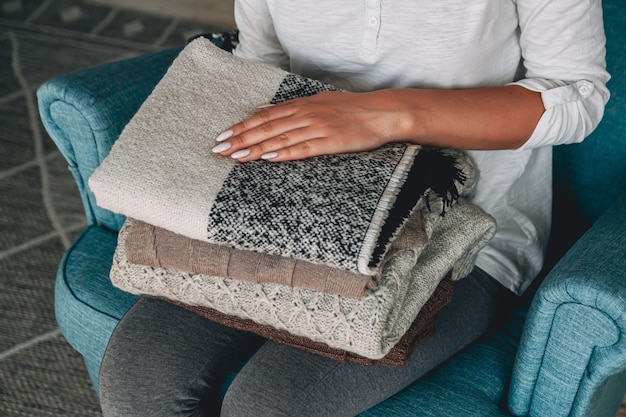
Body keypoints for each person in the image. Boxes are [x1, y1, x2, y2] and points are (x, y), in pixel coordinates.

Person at [99, 0, 610, 416]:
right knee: (139, 376)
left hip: (463, 230)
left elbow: (576, 96)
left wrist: (386, 114)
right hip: (287, 208)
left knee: (271, 405)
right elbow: (261, 63)